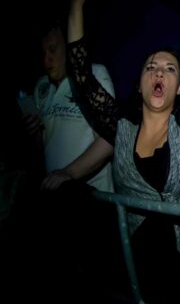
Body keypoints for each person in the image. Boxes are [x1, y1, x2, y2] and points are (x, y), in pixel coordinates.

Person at [66, 0, 180, 304]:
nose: (158, 72)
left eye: (169, 69)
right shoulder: (121, 129)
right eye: (151, 67)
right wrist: (77, 2)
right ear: (140, 84)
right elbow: (82, 78)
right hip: (142, 261)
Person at [26, 21, 115, 192]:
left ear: (68, 47)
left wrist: (68, 173)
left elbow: (108, 140)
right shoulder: (41, 87)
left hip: (92, 196)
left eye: (52, 50)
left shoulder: (94, 75)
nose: (46, 59)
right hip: (53, 192)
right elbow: (45, 147)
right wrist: (34, 132)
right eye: (43, 53)